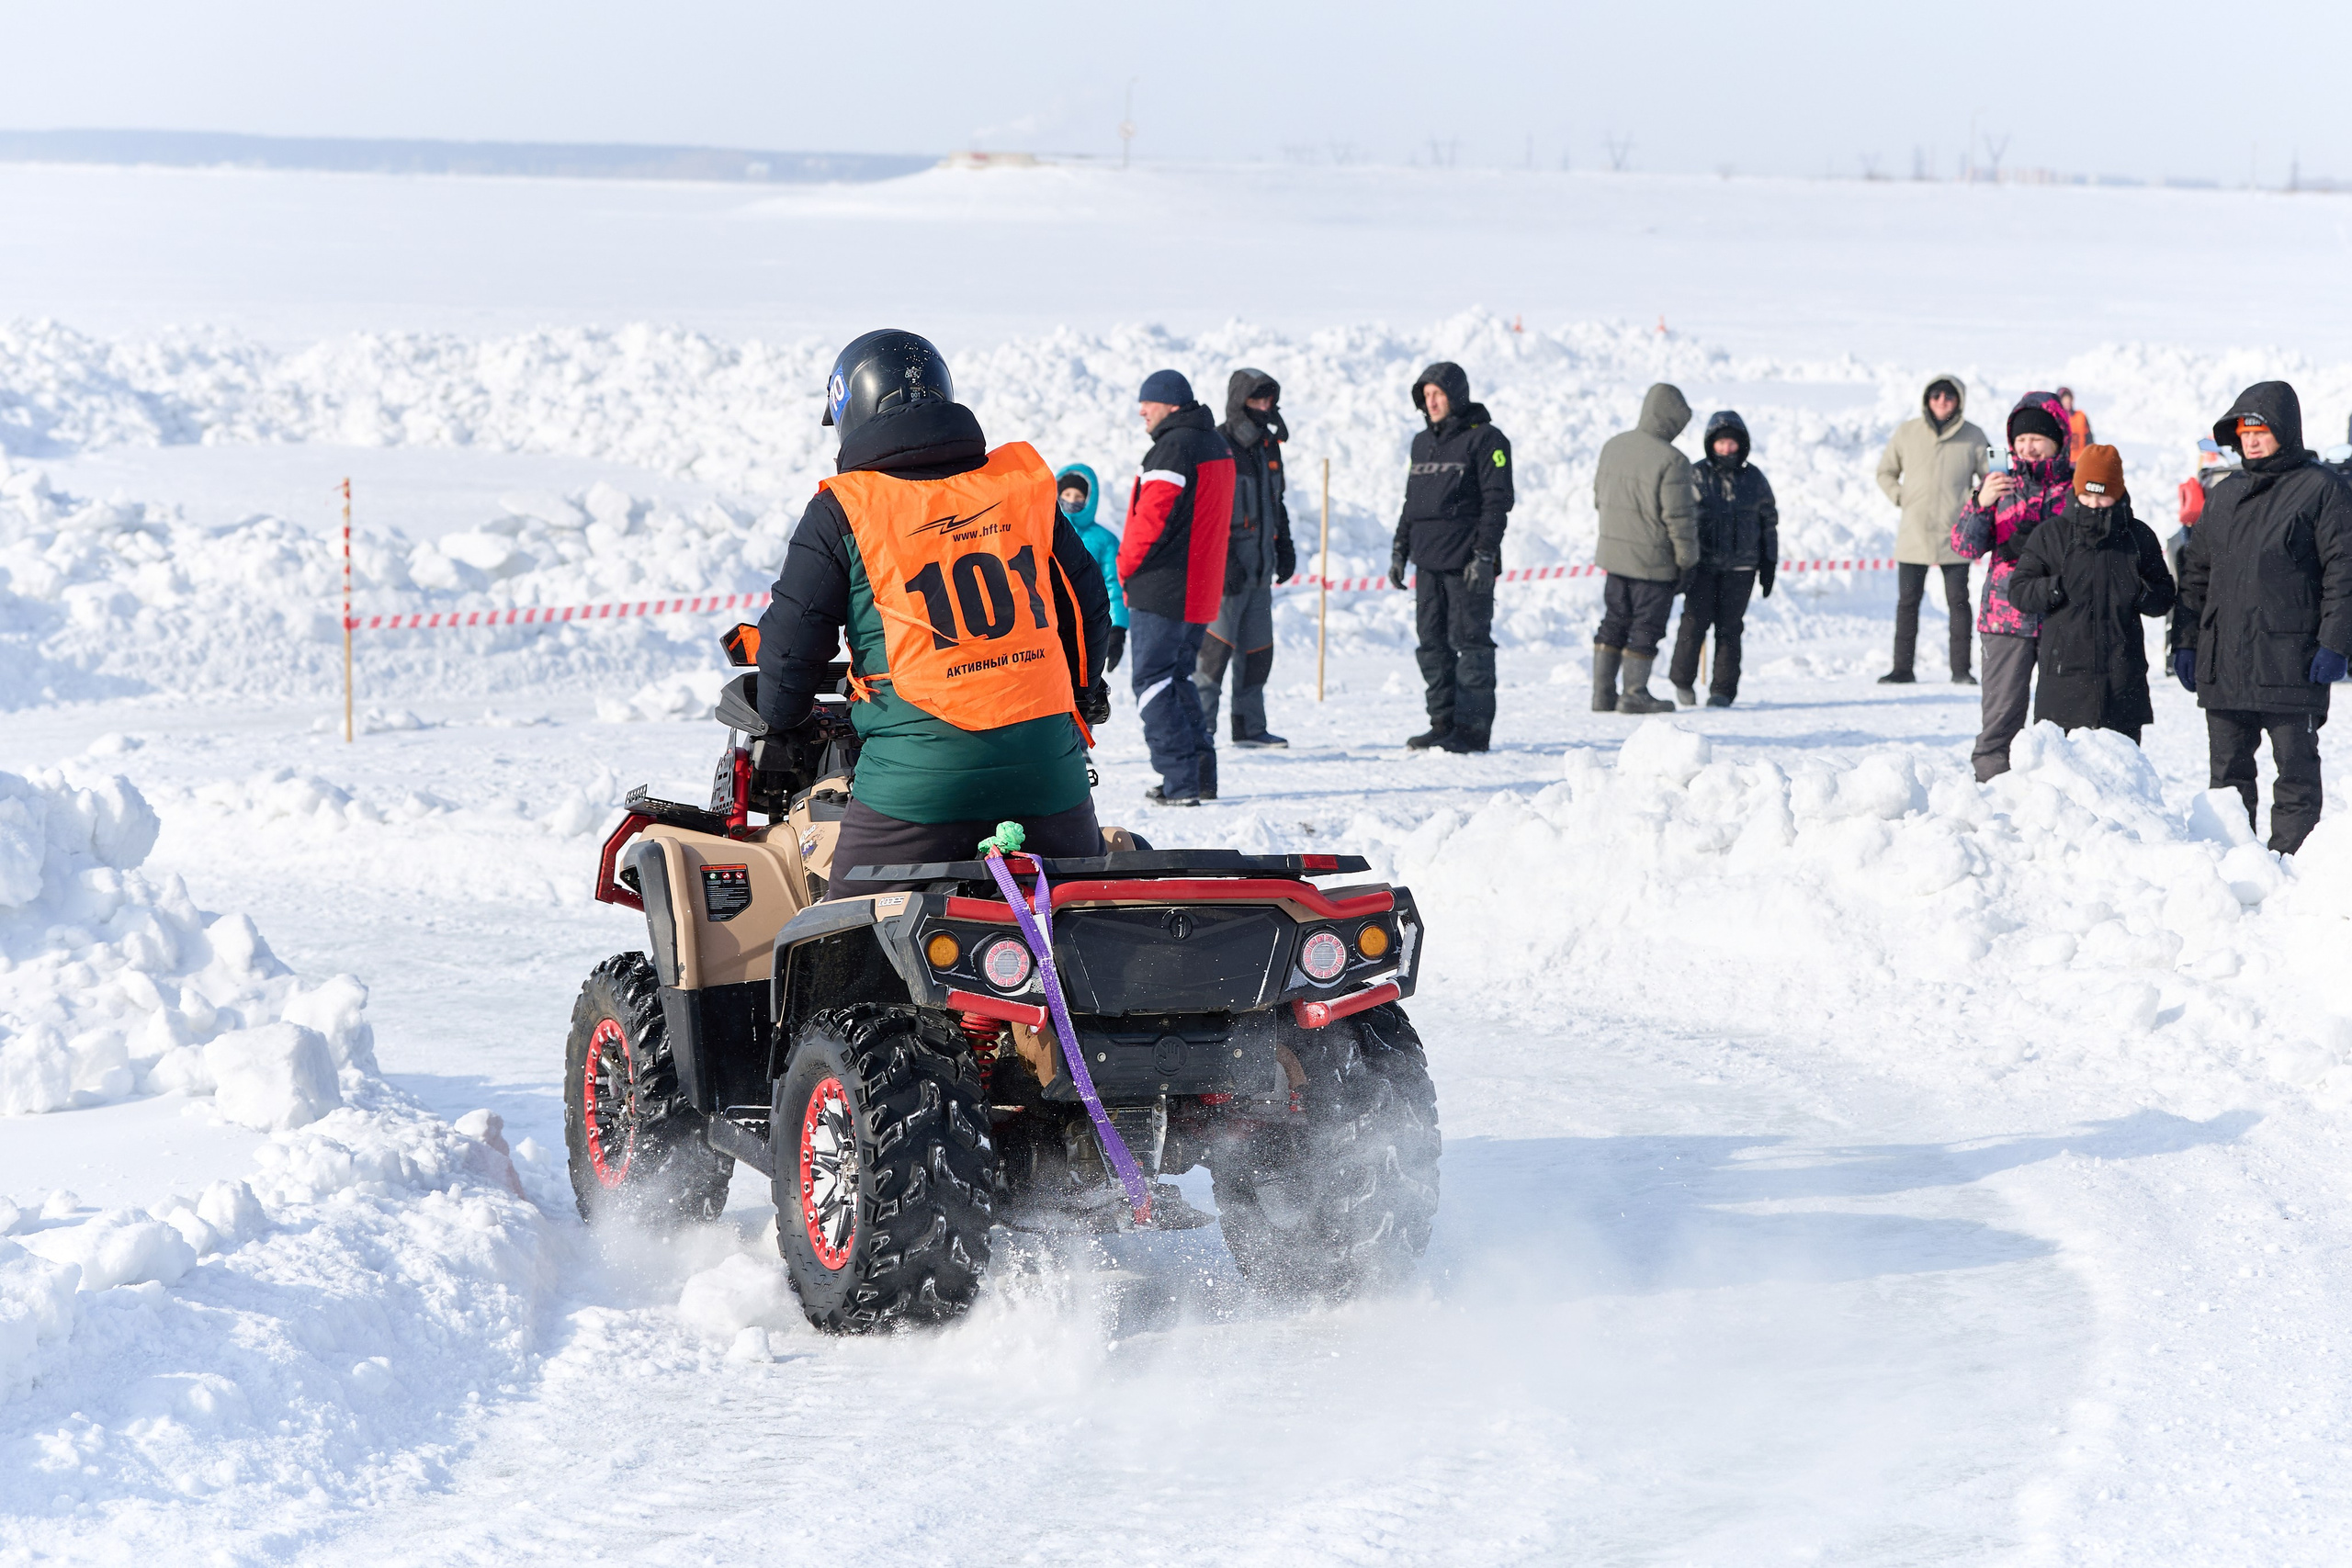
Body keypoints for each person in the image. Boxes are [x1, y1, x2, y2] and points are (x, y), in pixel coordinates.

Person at [755, 329, 1113, 896]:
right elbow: (1085, 602)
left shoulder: (845, 508)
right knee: (1081, 920)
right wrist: (1085, 694)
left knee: (839, 934)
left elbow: (792, 641)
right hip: (1047, 773)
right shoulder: (1019, 488)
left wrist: (782, 718)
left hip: (915, 789)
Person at [2169, 381, 2352, 853]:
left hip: (2291, 659)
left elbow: (2344, 572)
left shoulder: (2321, 489)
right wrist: (2184, 641)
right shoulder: (2224, 494)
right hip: (2225, 662)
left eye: (2260, 430)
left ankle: (2291, 866)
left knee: (2295, 775)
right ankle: (2233, 863)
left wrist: (2335, 642)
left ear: (2284, 430)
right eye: (2244, 432)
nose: (2250, 441)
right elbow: (2195, 575)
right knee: (2227, 778)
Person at [2005, 445, 2175, 744]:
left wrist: (2138, 591)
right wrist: (2055, 587)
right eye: (2087, 495)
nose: (2094, 503)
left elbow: (2163, 597)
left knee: (2120, 771)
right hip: (2063, 688)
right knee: (2065, 772)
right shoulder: (2051, 534)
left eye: (2103, 495)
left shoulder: (2138, 537)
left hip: (2122, 685)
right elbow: (2019, 592)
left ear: (2118, 493)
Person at [1120, 368, 1233, 806]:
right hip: (1199, 588)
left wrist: (1125, 567)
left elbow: (1151, 519)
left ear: (1170, 404)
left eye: (1147, 402)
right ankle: (1200, 776)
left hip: (1163, 588)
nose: (1141, 411)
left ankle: (1179, 781)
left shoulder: (1173, 447)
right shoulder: (1214, 443)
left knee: (1152, 682)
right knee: (1178, 678)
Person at [1389, 362, 1514, 751]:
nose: (1432, 402)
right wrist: (1399, 550)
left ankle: (1472, 730)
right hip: (1428, 562)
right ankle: (1442, 723)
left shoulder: (1488, 440)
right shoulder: (1421, 443)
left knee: (1470, 643)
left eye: (1438, 394)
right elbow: (1412, 503)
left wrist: (1484, 554)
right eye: (1426, 395)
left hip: (1467, 563)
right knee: (1432, 645)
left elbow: (1497, 502)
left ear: (1456, 395)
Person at [1952, 391, 2074, 781]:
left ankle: (2058, 798)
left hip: (2062, 616)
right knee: (2000, 723)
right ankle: (1992, 795)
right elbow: (1965, 546)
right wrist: (1981, 502)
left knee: (2062, 724)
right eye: (2020, 439)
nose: (2028, 447)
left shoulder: (2076, 487)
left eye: (2037, 439)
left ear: (2057, 440)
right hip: (2006, 620)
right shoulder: (1999, 485)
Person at [1197, 368, 1295, 750]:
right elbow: (1207, 512)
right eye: (1257, 398)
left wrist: (1284, 546)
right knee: (1213, 655)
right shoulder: (1218, 444)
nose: (1264, 406)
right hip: (1225, 576)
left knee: (1258, 654)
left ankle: (1249, 728)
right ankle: (1200, 730)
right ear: (1239, 401)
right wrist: (1224, 561)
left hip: (1260, 572)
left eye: (1269, 399)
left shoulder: (1269, 447)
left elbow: (1276, 503)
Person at [1874, 375, 1989, 684]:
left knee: (1959, 603)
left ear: (1959, 401)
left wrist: (1971, 502)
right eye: (1936, 395)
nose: (1942, 401)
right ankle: (1902, 669)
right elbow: (1885, 472)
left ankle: (1961, 671)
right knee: (1907, 603)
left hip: (1956, 535)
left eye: (1949, 396)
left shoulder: (1974, 435)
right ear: (1927, 399)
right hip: (1914, 533)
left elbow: (1991, 477)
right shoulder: (1907, 432)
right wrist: (1902, 497)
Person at [1591, 382, 1697, 716]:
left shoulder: (1613, 445)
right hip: (1652, 562)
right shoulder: (1673, 460)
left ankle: (1602, 694)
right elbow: (1678, 517)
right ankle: (1634, 694)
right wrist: (1687, 559)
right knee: (1646, 626)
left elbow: (1598, 496)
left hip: (1614, 557)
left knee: (1613, 621)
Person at [1668, 410, 1777, 708]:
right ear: (1710, 444)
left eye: (1732, 442)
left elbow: (1769, 524)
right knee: (1693, 624)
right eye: (1721, 443)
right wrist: (1680, 562)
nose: (1726, 448)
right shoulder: (1695, 475)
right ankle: (1682, 681)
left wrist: (1769, 564)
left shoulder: (1755, 479)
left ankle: (1723, 690)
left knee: (1730, 628)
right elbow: (1680, 520)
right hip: (1702, 567)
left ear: (1741, 444)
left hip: (1741, 569)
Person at [1056, 464, 1127, 678]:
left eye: (1079, 496)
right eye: (1067, 494)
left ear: (1089, 499)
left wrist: (1117, 628)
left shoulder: (1105, 540)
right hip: (1049, 622)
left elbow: (1113, 584)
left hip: (1087, 626)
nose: (1072, 500)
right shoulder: (1043, 531)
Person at [2057, 387, 2094, 461]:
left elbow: (2089, 438)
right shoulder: (2057, 419)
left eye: (2069, 398)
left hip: (2081, 460)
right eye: (2064, 399)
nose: (2067, 401)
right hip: (2064, 462)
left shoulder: (2081, 416)